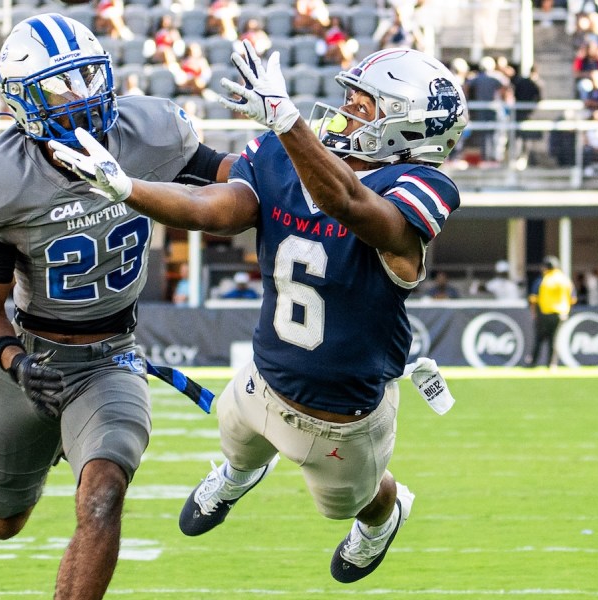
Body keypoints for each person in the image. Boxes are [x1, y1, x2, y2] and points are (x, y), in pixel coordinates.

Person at [50, 43, 468, 583]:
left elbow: (353, 207)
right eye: (352, 99)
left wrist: (291, 125)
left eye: (364, 107)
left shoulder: (419, 188)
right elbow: (215, 208)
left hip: (342, 417)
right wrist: (132, 190)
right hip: (263, 378)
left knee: (354, 502)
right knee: (236, 440)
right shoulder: (287, 155)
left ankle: (385, 518)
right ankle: (237, 475)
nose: (346, 112)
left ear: (406, 129)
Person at [0, 14, 234, 600]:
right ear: (22, 103)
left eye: (87, 75)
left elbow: (231, 179)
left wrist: (287, 156)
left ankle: (85, 443)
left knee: (103, 493)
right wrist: (13, 362)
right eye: (61, 86)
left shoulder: (149, 132)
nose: (81, 95)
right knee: (2, 523)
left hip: (111, 360)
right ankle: (51, 443)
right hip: (32, 361)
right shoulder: (0, 179)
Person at [524, 256, 576, 368]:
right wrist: (566, 311)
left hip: (544, 313)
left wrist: (534, 313)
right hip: (560, 313)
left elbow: (533, 299)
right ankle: (552, 364)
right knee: (555, 339)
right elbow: (573, 299)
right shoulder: (565, 280)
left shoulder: (542, 280)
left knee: (539, 338)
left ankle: (533, 362)